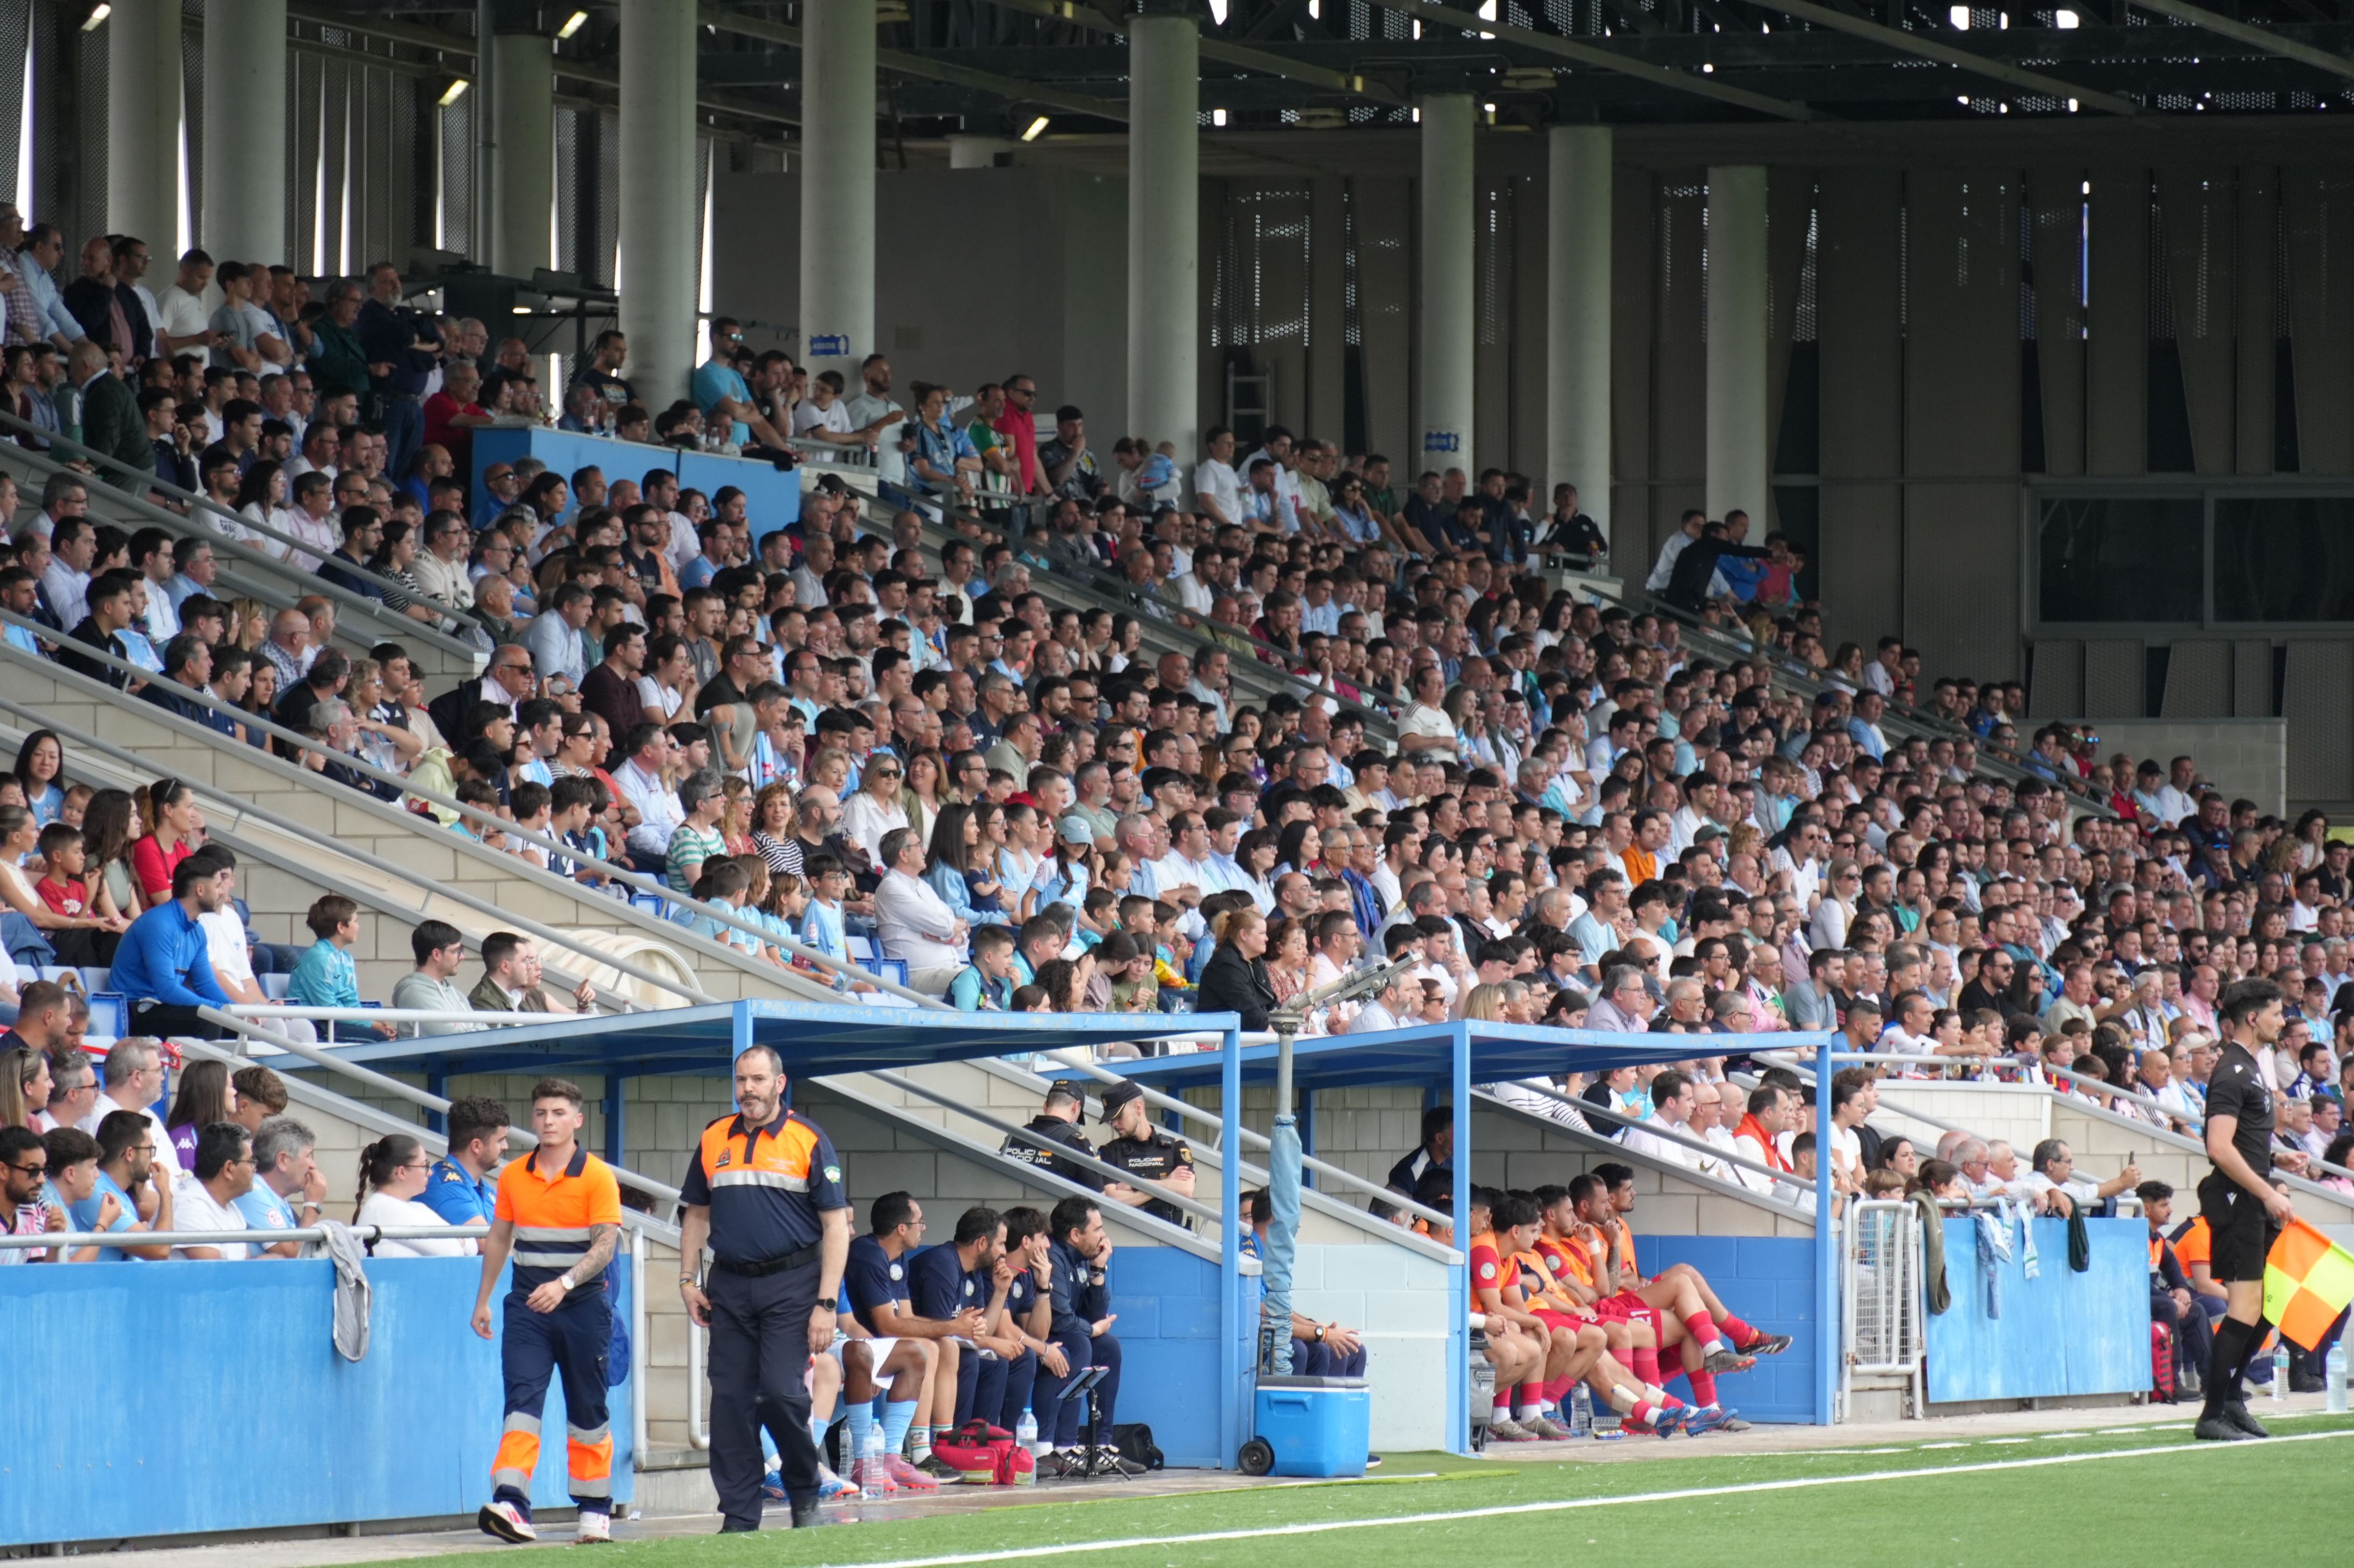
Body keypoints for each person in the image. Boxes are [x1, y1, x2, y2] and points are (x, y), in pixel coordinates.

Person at [676, 1044, 852, 1533]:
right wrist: (688, 1281)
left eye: (757, 1080)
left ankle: (803, 1491)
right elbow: (695, 1214)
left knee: (781, 1394)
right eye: (740, 1081)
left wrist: (826, 1304)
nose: (747, 1090)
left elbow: (836, 1228)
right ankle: (738, 1514)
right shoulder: (714, 1137)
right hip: (728, 1286)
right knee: (730, 1400)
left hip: (792, 1285)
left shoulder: (809, 1138)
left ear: (779, 1083)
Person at [470, 1077, 624, 1545]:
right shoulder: (515, 1174)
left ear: (577, 1120)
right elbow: (500, 1236)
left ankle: (595, 1509)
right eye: (540, 1113)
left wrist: (565, 1283)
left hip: (583, 1307)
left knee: (588, 1409)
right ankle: (513, 1503)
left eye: (558, 1113)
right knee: (521, 1404)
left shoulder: (597, 1175)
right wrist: (483, 1301)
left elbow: (605, 1244)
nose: (548, 1121)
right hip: (526, 1309)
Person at [2193, 978, 2305, 1443]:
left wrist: (2276, 1158)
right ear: (2254, 1018)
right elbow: (2219, 1147)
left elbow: (2240, 1141)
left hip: (2253, 1200)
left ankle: (2234, 1400)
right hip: (2240, 1204)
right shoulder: (2232, 1071)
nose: (2283, 1021)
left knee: (2266, 1308)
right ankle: (2212, 1413)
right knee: (2243, 1309)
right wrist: (2268, 1191)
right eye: (2278, 1014)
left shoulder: (2253, 1067)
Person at [842, 1192, 970, 1483]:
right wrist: (952, 1325)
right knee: (926, 1347)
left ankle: (940, 1442)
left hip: (883, 1342)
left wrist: (952, 1328)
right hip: (858, 1344)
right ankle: (919, 1453)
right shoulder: (868, 1253)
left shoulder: (898, 1256)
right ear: (902, 1228)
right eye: (919, 1222)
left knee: (947, 1346)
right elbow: (888, 1325)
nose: (923, 1228)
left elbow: (907, 1318)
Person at [1032, 1195, 1140, 1475]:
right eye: (1098, 1229)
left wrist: (1098, 1270)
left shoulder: (1083, 1258)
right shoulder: (1054, 1255)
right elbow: (1061, 1319)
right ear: (1075, 1234)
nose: (1103, 1236)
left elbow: (1094, 1314)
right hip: (1040, 1337)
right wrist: (1093, 1330)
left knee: (1109, 1347)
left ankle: (1099, 1445)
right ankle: (1059, 1445)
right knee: (1080, 1343)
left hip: (1068, 1335)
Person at [108, 856, 233, 1039]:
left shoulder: (197, 931)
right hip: (135, 1011)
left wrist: (236, 1011)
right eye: (217, 886)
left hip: (165, 1008)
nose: (222, 893)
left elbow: (206, 984)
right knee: (211, 1020)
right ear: (200, 890)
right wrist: (218, 1010)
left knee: (238, 1026)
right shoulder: (159, 923)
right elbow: (166, 989)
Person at [1093, 1079, 1196, 1228]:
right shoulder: (1109, 1152)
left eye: (1118, 1116)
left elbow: (1187, 1190)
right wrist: (1167, 1183)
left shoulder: (1176, 1148)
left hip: (1172, 1238)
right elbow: (1111, 1199)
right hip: (1130, 1237)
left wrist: (1133, 1186)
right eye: (1111, 1119)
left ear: (1138, 1107)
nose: (1114, 1124)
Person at [355, 1131, 476, 1256]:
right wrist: (459, 1240)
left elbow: (472, 1246)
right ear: (402, 1172)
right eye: (425, 1165)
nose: (430, 1173)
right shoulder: (384, 1208)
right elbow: (452, 1252)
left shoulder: (416, 1207)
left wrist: (457, 1240)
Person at [420, 1095, 511, 1227]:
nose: (506, 1147)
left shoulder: (484, 1188)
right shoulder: (445, 1185)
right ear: (476, 1146)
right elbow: (488, 1244)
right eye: (500, 1140)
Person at [391, 918, 483, 1035]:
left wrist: (463, 1030)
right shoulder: (416, 993)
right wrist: (466, 1030)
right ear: (437, 955)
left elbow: (483, 1030)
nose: (462, 957)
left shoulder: (454, 993)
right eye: (456, 951)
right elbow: (452, 1040)